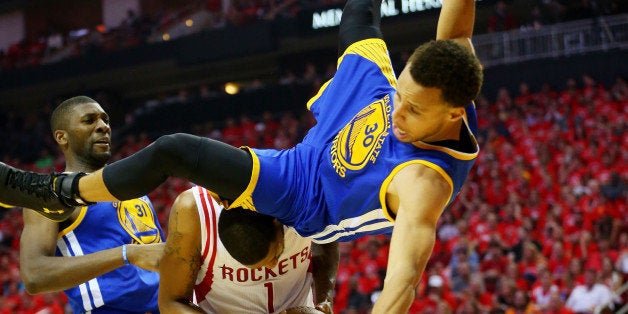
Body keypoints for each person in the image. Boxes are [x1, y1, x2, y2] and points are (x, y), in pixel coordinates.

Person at [0, 0, 483, 312]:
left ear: (452, 115)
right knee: (359, 14)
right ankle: (53, 191)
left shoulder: (425, 183)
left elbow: (402, 281)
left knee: (174, 150)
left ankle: (58, 192)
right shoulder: (438, 76)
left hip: (307, 192)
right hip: (336, 125)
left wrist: (328, 300)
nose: (399, 111)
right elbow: (458, 24)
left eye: (414, 109)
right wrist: (395, 97)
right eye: (402, 93)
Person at [18, 96, 165, 313]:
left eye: (105, 120)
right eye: (89, 120)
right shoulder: (49, 194)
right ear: (62, 137)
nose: (103, 126)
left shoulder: (133, 187)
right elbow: (34, 275)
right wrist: (126, 254)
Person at [159, 185, 338, 313]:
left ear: (277, 223)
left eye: (275, 254)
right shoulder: (194, 212)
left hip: (301, 305)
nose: (272, 266)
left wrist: (324, 302)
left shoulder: (307, 196)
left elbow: (327, 239)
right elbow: (171, 302)